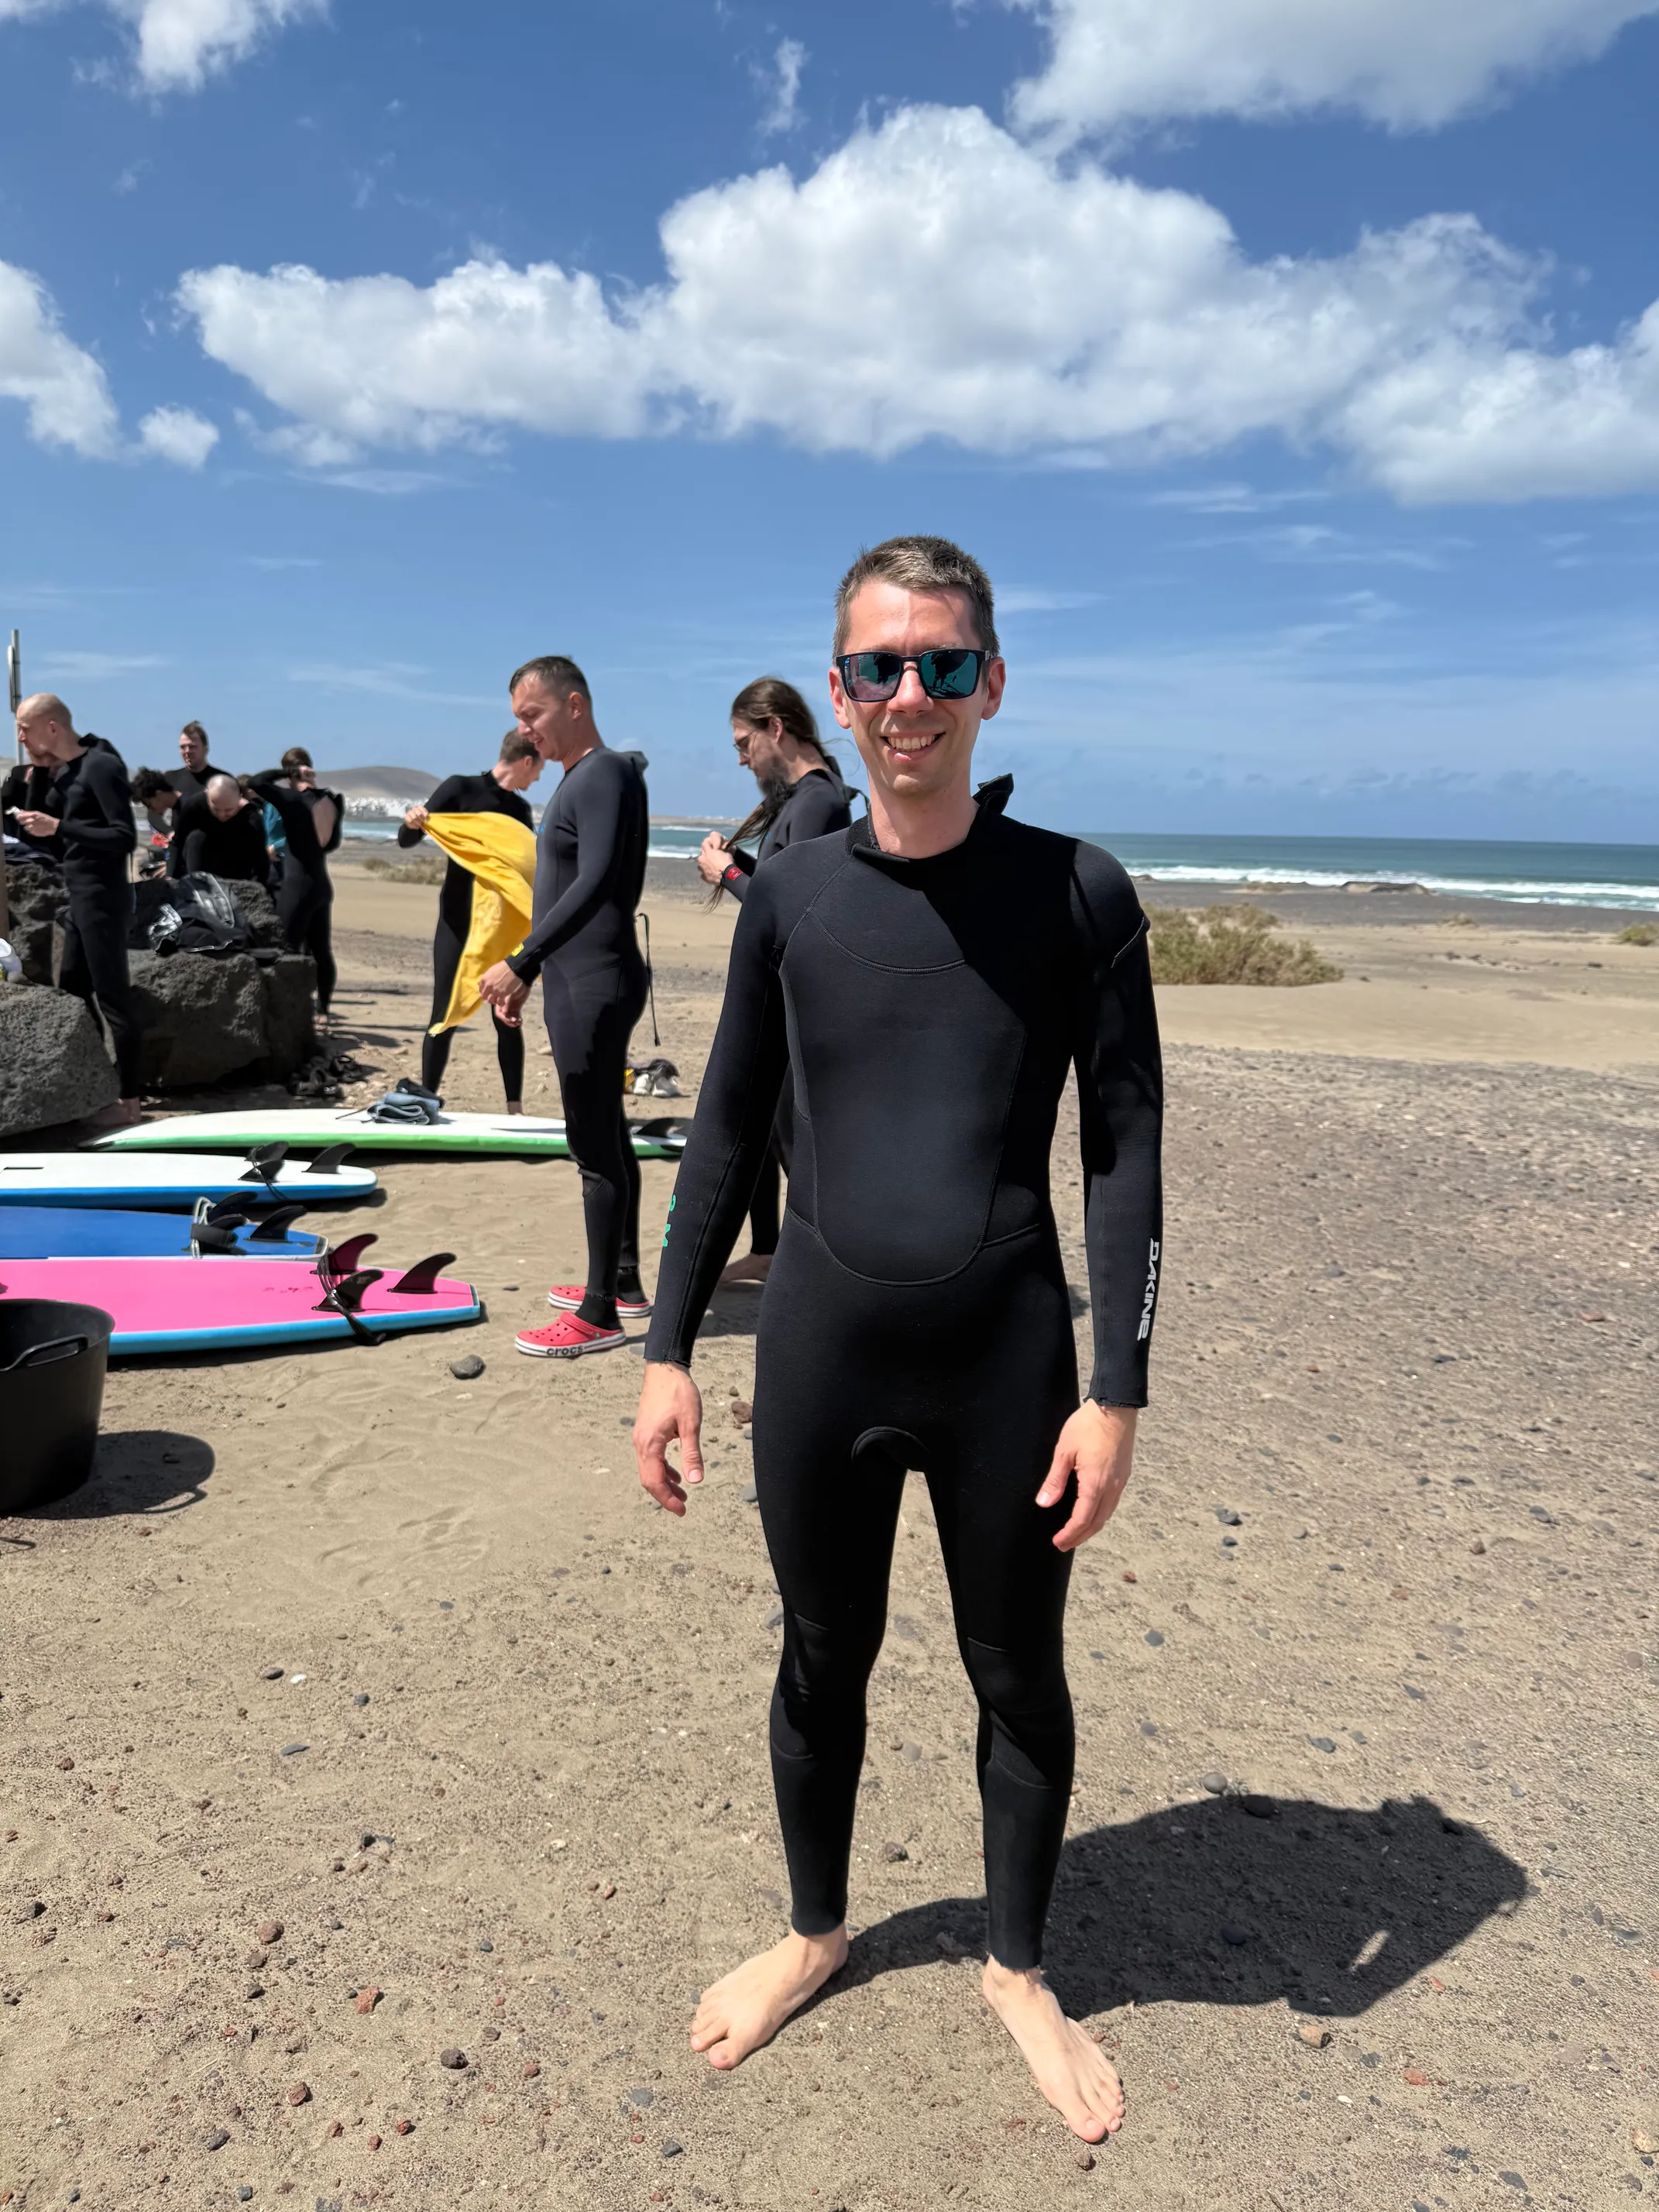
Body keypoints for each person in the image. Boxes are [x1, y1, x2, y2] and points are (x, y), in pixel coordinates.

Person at [632, 536, 1163, 2145]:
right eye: (879, 667)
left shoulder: (1076, 893)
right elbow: (725, 1136)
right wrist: (665, 1350)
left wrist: (1117, 1387)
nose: (910, 695)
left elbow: (1124, 1148)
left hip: (1007, 1351)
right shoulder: (790, 896)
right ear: (842, 691)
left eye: (943, 663)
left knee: (1017, 1668)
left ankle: (1016, 1966)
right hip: (821, 1350)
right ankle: (817, 1929)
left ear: (991, 682)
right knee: (820, 1655)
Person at [478, 656, 651, 1356]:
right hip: (582, 978)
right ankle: (625, 1280)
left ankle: (599, 1311)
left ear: (574, 705)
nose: (523, 732)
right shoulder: (588, 778)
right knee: (607, 1131)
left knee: (592, 1148)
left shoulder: (602, 773)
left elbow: (597, 880)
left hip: (593, 980)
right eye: (519, 718)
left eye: (533, 715)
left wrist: (524, 961)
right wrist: (534, 962)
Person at [694, 677, 854, 1288]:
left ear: (775, 728)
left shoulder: (818, 802)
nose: (741, 758)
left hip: (801, 1002)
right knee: (764, 1130)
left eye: (744, 742)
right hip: (779, 997)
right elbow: (784, 890)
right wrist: (736, 870)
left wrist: (729, 872)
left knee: (793, 1142)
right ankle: (770, 1250)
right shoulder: (803, 801)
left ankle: (816, 1269)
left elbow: (798, 913)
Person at [10, 692, 143, 1125]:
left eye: (25, 729)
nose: (19, 737)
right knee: (72, 989)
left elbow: (124, 837)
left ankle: (130, 1100)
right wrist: (38, 783)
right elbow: (41, 839)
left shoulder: (102, 765)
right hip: (79, 896)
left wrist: (60, 825)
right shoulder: (64, 775)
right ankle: (95, 1084)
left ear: (52, 727)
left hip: (104, 896)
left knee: (113, 997)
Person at [400, 730, 544, 1107]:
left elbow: (524, 869)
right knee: (444, 1011)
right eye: (539, 768)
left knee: (506, 1015)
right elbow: (406, 839)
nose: (538, 779)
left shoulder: (520, 811)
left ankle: (514, 1108)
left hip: (501, 927)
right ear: (526, 761)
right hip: (457, 921)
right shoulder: (459, 789)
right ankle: (427, 1099)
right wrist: (414, 821)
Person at [248, 747, 343, 1018]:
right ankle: (323, 1010)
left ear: (292, 774)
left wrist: (285, 774)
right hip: (322, 887)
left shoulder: (292, 800)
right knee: (322, 950)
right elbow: (331, 844)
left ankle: (286, 1012)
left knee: (284, 948)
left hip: (297, 886)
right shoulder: (333, 800)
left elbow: (255, 783)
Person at [173, 773, 271, 884]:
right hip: (202, 863)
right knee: (196, 837)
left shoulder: (251, 818)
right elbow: (177, 841)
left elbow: (260, 860)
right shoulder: (194, 806)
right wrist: (171, 877)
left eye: (228, 811)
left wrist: (257, 888)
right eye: (216, 809)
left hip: (236, 865)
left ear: (239, 799)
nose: (221, 815)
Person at [130, 768, 181, 873]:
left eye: (149, 805)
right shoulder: (177, 811)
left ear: (159, 794)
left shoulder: (190, 808)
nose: (151, 810)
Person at [173, 721, 214, 812]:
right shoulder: (170, 779)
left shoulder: (221, 780)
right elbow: (155, 815)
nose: (187, 751)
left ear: (206, 749)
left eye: (192, 747)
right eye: (183, 747)